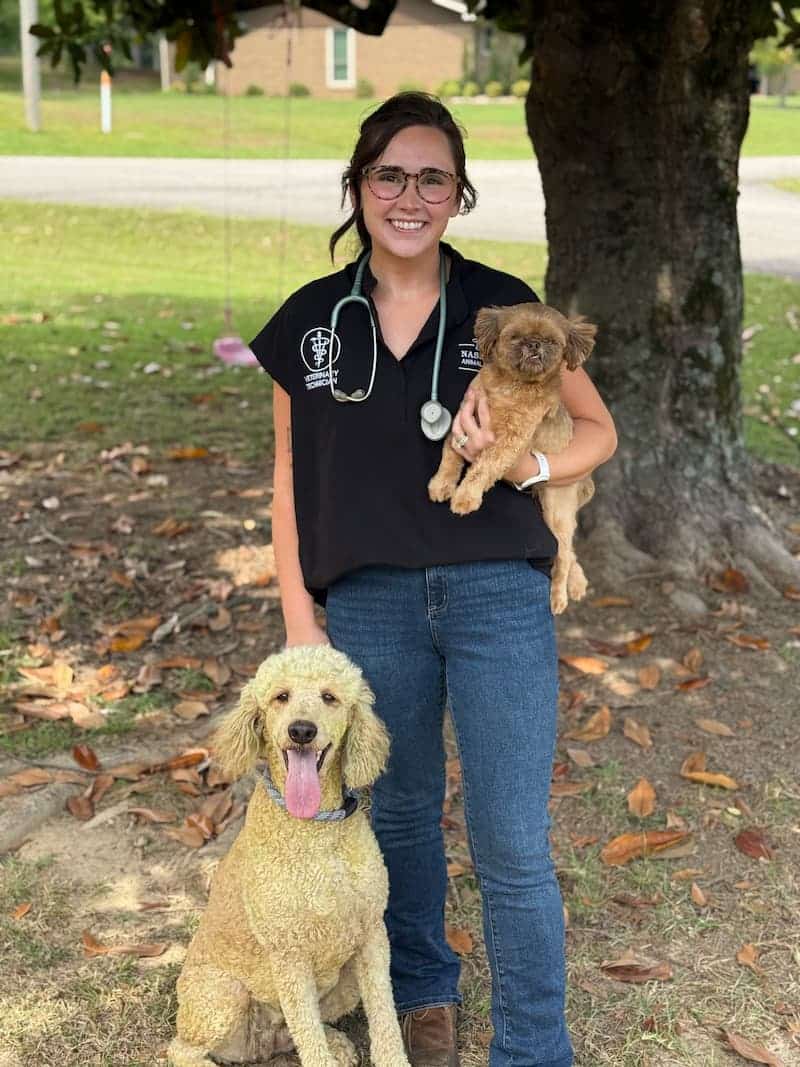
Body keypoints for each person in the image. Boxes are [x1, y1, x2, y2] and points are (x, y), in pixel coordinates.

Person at [250, 92, 617, 1067]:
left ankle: (533, 1046)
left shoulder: (504, 306)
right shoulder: (310, 320)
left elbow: (598, 429)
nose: (409, 196)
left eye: (432, 178)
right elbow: (287, 474)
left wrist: (531, 466)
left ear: (457, 194)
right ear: (358, 185)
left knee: (510, 837)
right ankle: (422, 997)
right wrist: (300, 620)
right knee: (403, 814)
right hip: (369, 603)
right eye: (389, 175)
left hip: (497, 596)